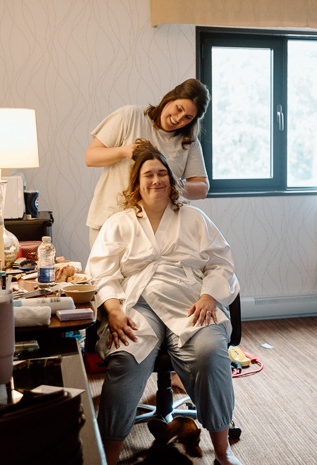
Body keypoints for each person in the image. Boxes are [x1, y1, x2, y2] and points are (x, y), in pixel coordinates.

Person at [86, 139, 243, 465]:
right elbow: (101, 273)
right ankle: (108, 459)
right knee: (126, 357)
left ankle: (223, 453)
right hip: (137, 304)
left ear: (171, 181)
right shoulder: (120, 223)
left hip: (190, 303)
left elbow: (221, 263)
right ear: (137, 183)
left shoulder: (194, 219)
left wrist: (208, 296)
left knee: (210, 353)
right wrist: (113, 310)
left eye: (162, 174)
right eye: (148, 175)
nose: (156, 180)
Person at [85, 78, 211, 247]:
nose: (178, 118)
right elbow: (91, 157)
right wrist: (124, 152)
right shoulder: (129, 116)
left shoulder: (189, 142)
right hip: (109, 220)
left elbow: (202, 188)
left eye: (187, 117)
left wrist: (173, 183)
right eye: (178, 109)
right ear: (170, 98)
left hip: (155, 231)